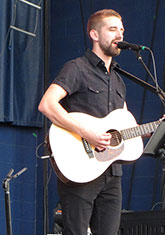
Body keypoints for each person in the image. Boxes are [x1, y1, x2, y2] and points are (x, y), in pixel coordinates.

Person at [39, 9, 127, 235]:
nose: (120, 34)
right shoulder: (77, 68)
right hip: (80, 167)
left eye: (121, 30)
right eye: (112, 29)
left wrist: (154, 129)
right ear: (94, 35)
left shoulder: (118, 80)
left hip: (111, 171)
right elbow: (47, 104)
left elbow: (123, 126)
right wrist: (86, 132)